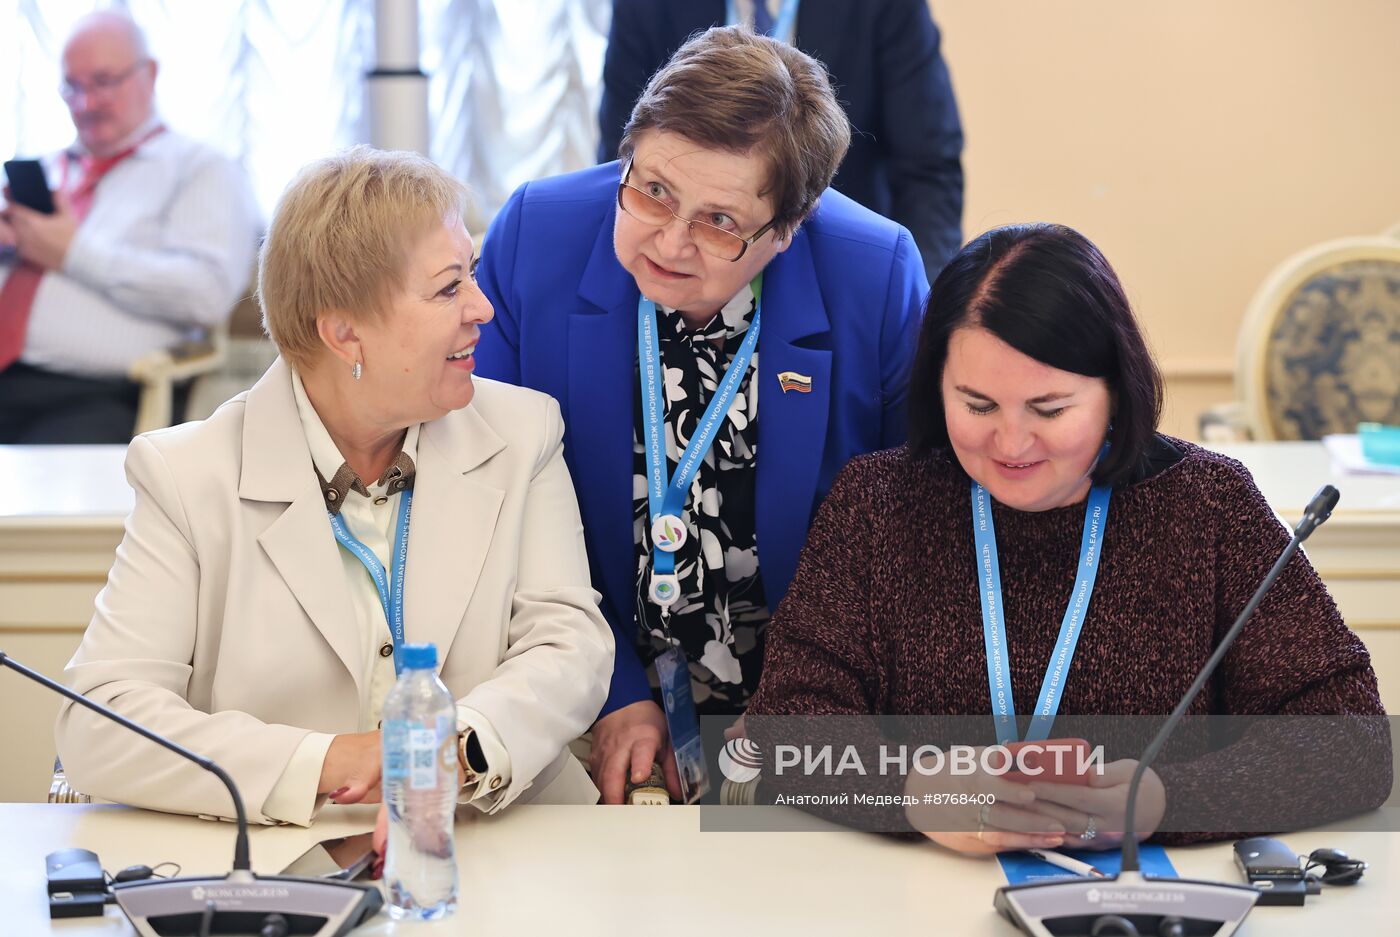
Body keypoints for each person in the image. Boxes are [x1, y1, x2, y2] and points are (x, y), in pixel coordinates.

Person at [746, 223, 1390, 851]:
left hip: (1149, 904)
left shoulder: (1208, 504)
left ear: (1115, 388)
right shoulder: (877, 504)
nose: (1011, 443)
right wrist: (909, 793)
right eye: (977, 405)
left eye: (1049, 410)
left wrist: (1166, 800)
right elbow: (782, 735)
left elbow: (1354, 739)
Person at [55, 147, 614, 826]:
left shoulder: (524, 432)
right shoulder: (187, 474)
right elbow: (102, 720)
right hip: (282, 861)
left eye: (470, 274)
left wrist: (452, 752)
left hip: (504, 834)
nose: (483, 308)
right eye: (448, 288)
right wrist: (331, 762)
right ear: (345, 332)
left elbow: (569, 644)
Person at [476, 26, 927, 803]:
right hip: (578, 685)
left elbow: (910, 538)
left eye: (719, 221)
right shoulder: (535, 237)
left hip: (806, 706)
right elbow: (495, 502)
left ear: (787, 228)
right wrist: (612, 691)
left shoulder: (874, 275)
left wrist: (796, 710)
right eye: (652, 190)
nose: (671, 241)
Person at [0, 10, 258, 444]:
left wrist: (72, 253)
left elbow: (207, 294)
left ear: (150, 74)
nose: (86, 103)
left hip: (98, 397)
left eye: (103, 82)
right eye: (73, 86)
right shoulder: (49, 171)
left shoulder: (201, 170)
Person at [597, 0, 964, 284]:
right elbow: (623, 146)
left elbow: (928, 169)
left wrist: (924, 306)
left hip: (835, 267)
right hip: (686, 253)